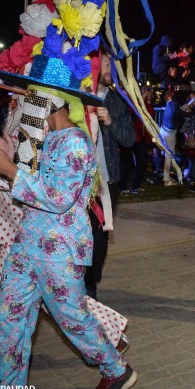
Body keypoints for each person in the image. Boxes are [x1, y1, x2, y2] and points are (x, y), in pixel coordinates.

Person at [0, 63, 137, 389]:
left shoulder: (75, 141)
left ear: (54, 99)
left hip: (59, 253)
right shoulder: (42, 138)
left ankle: (115, 369)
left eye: (32, 94)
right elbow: (29, 179)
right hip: (26, 246)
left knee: (74, 320)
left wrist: (10, 169)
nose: (25, 100)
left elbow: (56, 199)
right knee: (8, 327)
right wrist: (8, 155)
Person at [86, 52, 135, 300]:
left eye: (111, 65)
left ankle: (90, 285)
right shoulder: (78, 97)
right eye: (105, 64)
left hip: (106, 180)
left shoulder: (115, 101)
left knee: (99, 233)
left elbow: (129, 139)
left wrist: (110, 121)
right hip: (78, 180)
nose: (109, 69)